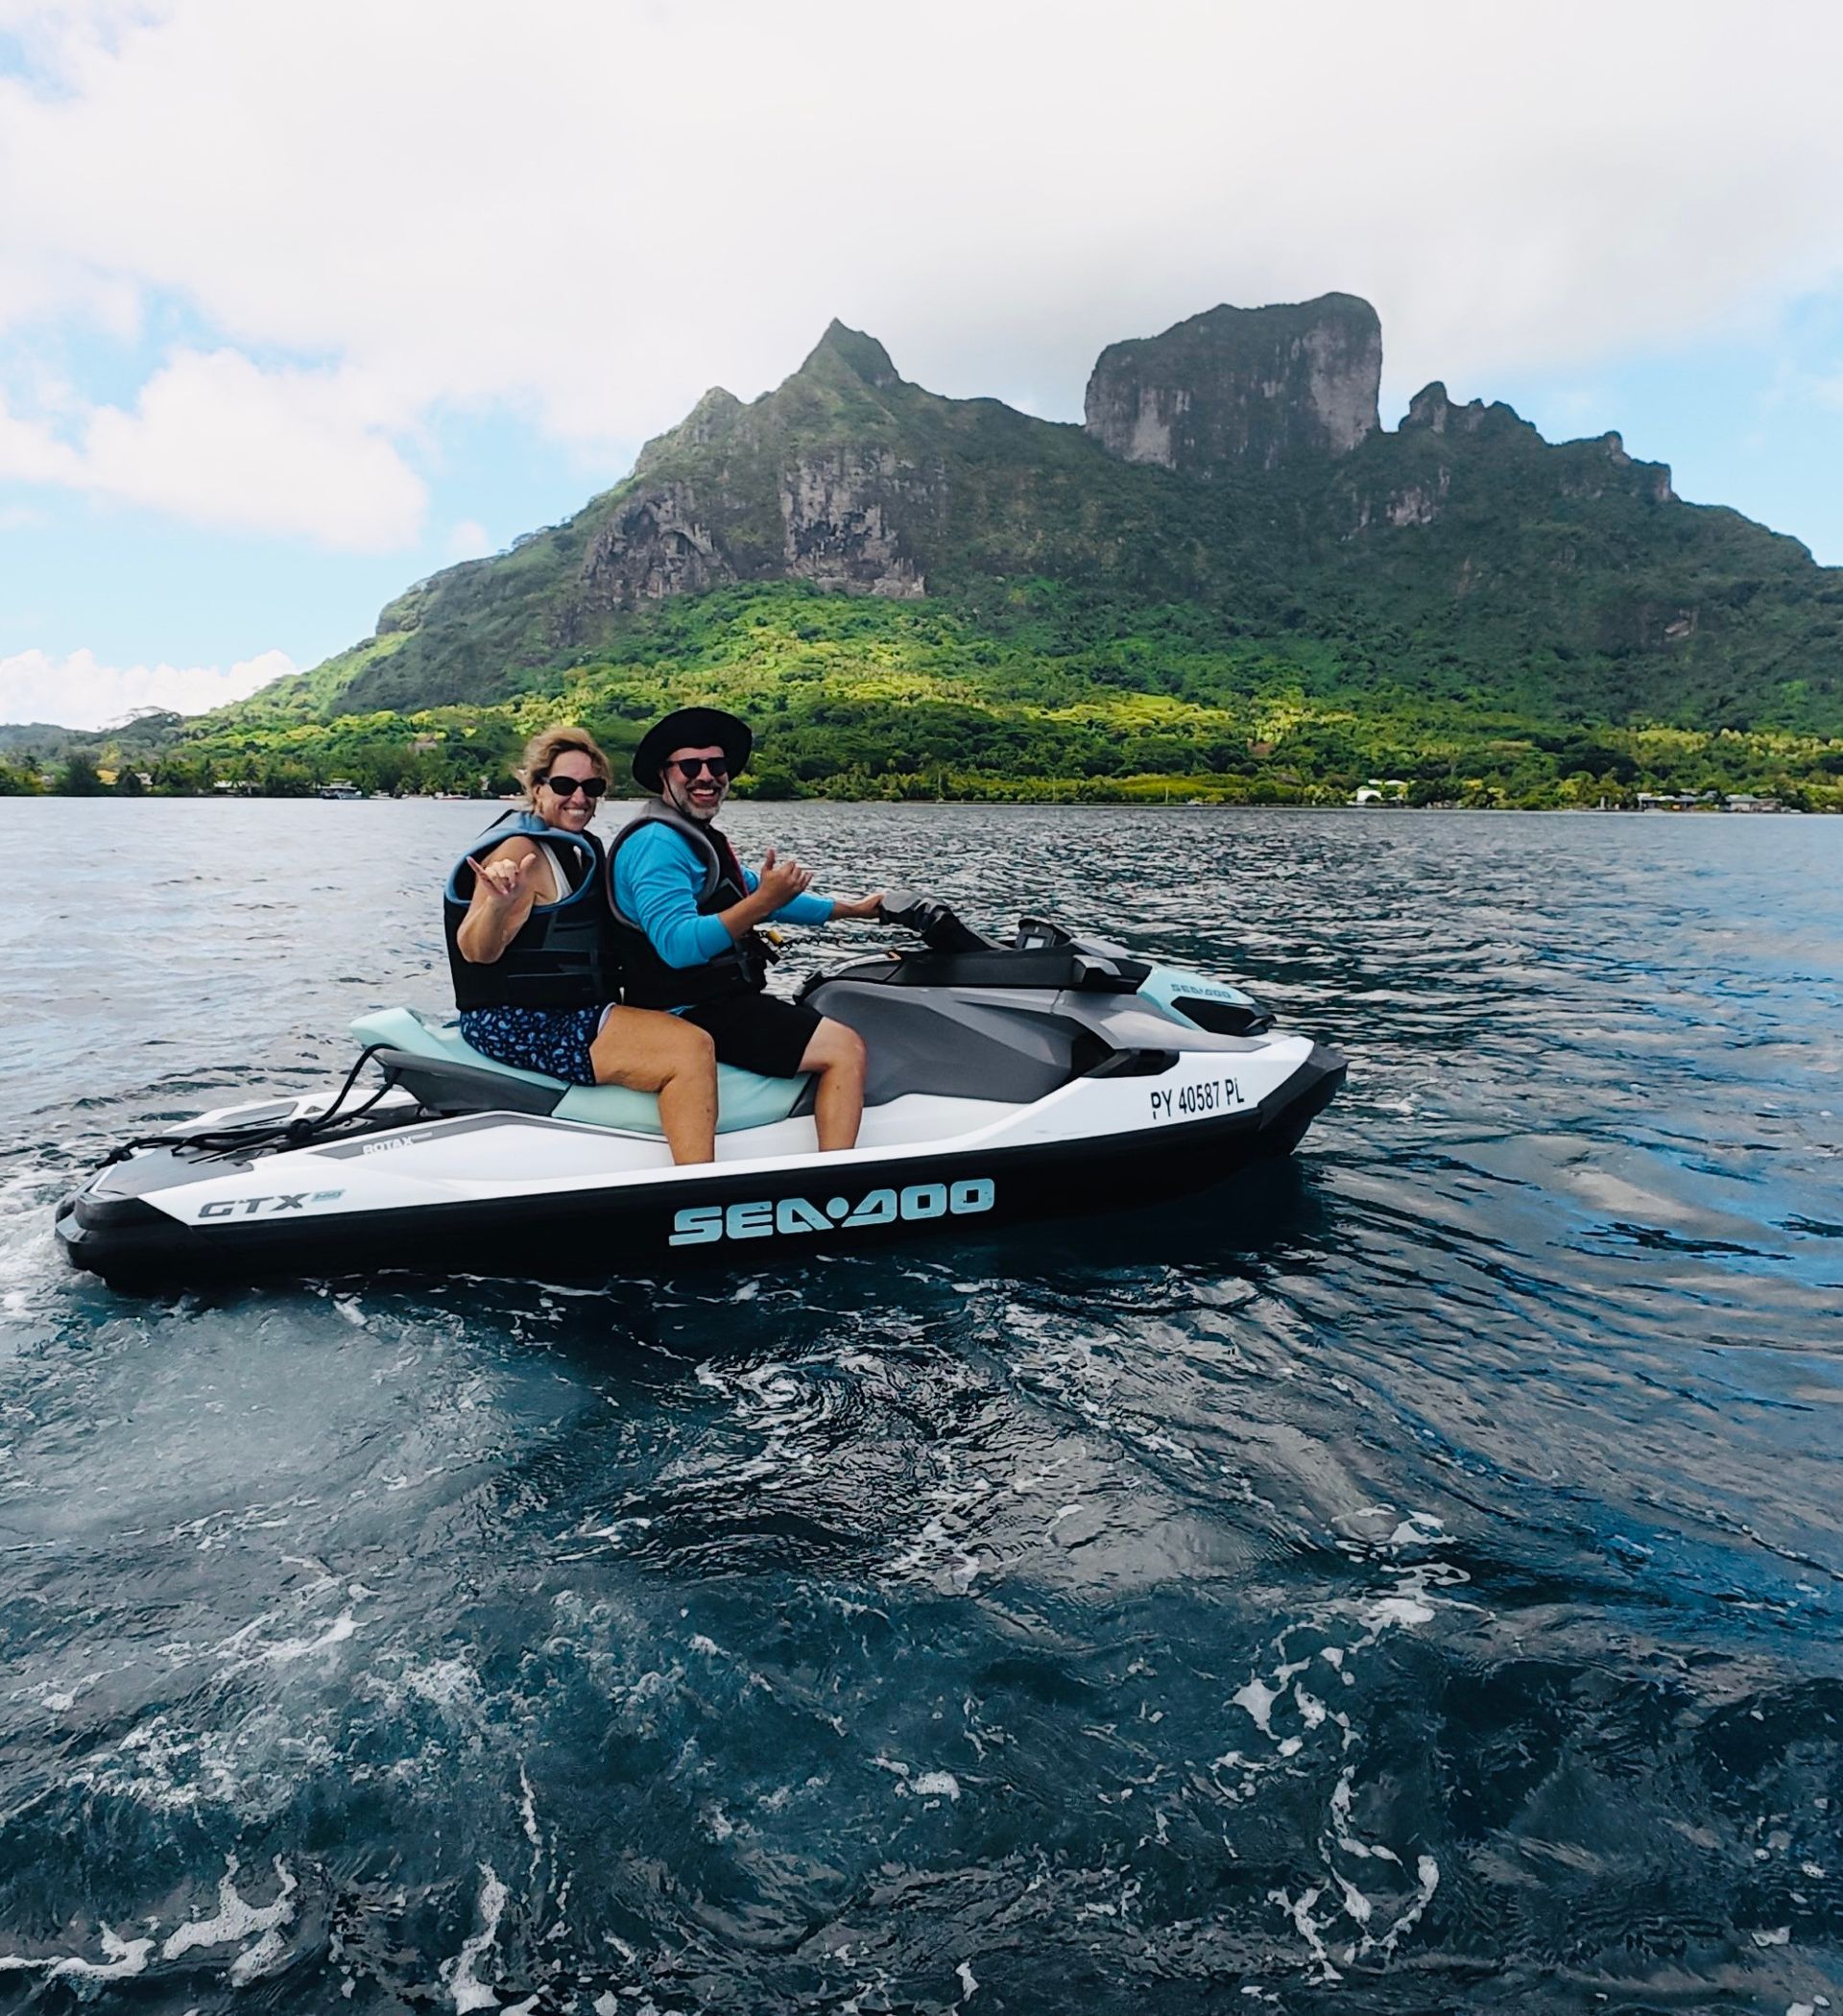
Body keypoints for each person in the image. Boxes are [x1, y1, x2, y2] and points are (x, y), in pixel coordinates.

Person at [608, 707, 884, 1152]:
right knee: (844, 1048)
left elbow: (760, 892)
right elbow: (677, 945)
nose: (706, 776)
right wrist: (761, 903)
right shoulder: (657, 845)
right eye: (690, 766)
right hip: (688, 1009)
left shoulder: (691, 837)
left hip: (715, 1000)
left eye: (716, 765)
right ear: (664, 774)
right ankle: (836, 1177)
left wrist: (856, 910)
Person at [443, 725, 719, 1164]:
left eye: (591, 787)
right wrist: (497, 903)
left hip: (566, 1011)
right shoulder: (519, 851)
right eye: (564, 785)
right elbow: (476, 950)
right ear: (537, 788)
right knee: (690, 1049)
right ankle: (698, 1186)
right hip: (519, 1020)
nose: (579, 797)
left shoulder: (576, 847)